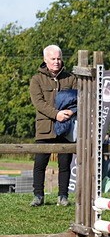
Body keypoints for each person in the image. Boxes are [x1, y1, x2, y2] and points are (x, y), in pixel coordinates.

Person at [29, 44, 78, 207]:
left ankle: (62, 196)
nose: (57, 62)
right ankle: (38, 196)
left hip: (66, 129)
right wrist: (56, 114)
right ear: (45, 60)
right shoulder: (36, 79)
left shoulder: (71, 78)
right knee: (40, 164)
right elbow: (39, 103)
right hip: (45, 129)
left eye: (59, 58)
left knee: (65, 164)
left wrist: (70, 112)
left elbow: (80, 98)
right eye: (53, 59)